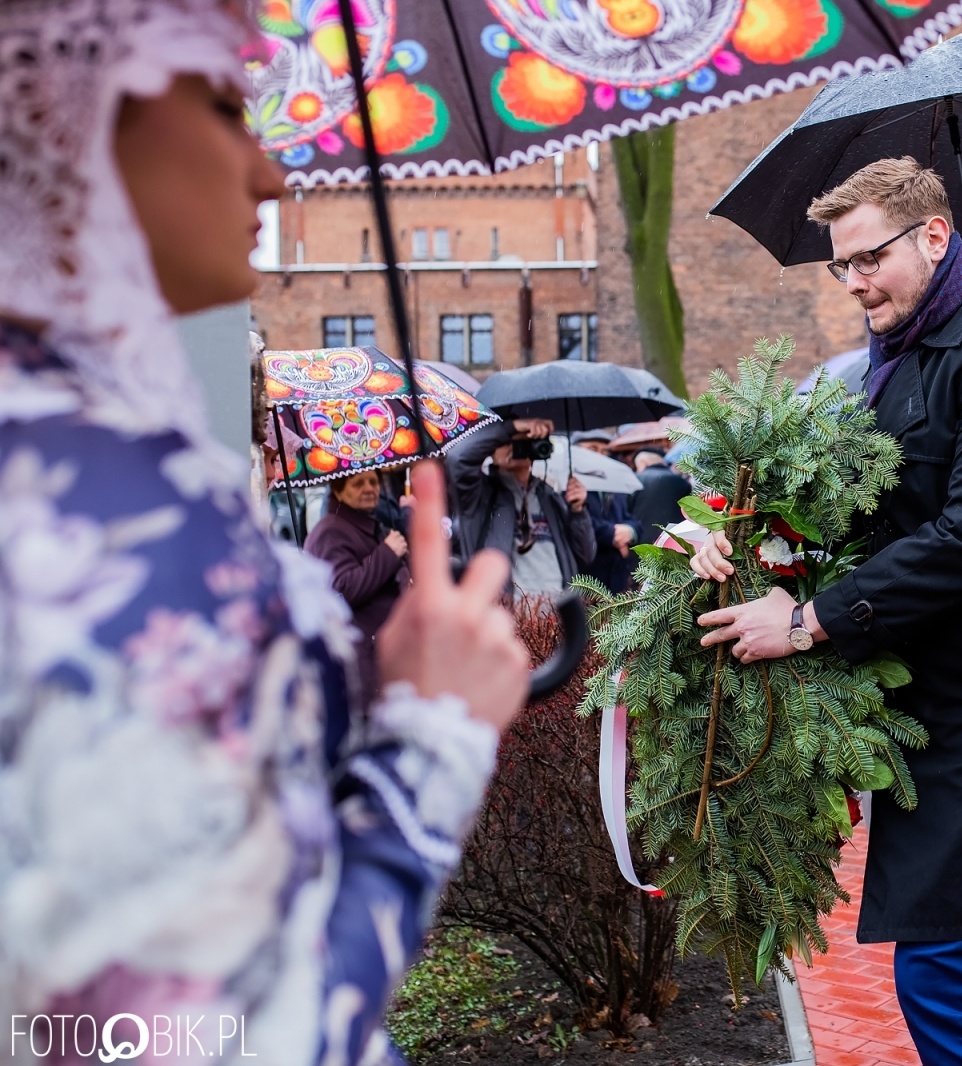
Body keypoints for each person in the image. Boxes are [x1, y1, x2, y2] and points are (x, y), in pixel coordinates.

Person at [0, 6, 531, 1062]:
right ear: (60, 115)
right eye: (221, 102)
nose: (271, 174)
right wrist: (433, 740)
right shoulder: (115, 507)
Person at [688, 159, 962, 1066]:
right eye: (839, 266)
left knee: (944, 964)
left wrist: (805, 625)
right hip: (944, 702)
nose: (852, 282)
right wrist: (737, 539)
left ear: (933, 236)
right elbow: (860, 519)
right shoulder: (902, 357)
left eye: (868, 258)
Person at [446, 418, 596, 600]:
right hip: (505, 617)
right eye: (506, 441)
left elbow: (586, 555)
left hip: (555, 617)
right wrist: (511, 427)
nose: (515, 446)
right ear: (490, 451)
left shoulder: (551, 498)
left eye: (523, 440)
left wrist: (578, 511)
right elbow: (457, 458)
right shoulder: (478, 496)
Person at [305, 469, 411, 701]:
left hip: (380, 656)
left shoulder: (366, 527)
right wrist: (388, 554)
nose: (369, 488)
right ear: (337, 490)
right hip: (360, 663)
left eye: (373, 482)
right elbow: (342, 591)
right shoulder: (330, 531)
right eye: (358, 483)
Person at [575, 429, 640, 593]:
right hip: (586, 577)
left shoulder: (614, 485)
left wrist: (629, 531)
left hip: (616, 577)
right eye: (593, 449)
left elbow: (631, 519)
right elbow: (579, 522)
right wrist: (613, 534)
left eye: (605, 451)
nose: (600, 456)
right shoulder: (569, 486)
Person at [629, 447, 696, 545]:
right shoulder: (682, 482)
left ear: (643, 463)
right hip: (675, 541)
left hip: (641, 544)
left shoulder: (634, 480)